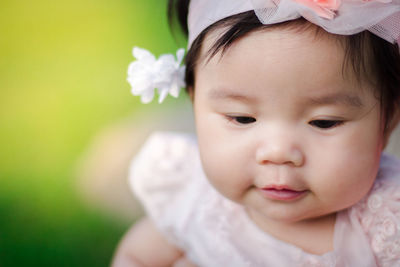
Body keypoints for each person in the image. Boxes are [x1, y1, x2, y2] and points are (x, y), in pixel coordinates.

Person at [112, 0, 400, 266]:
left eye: (323, 122)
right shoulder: (194, 201)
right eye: (242, 118)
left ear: (388, 121)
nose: (278, 152)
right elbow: (136, 256)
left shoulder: (387, 222)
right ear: (194, 101)